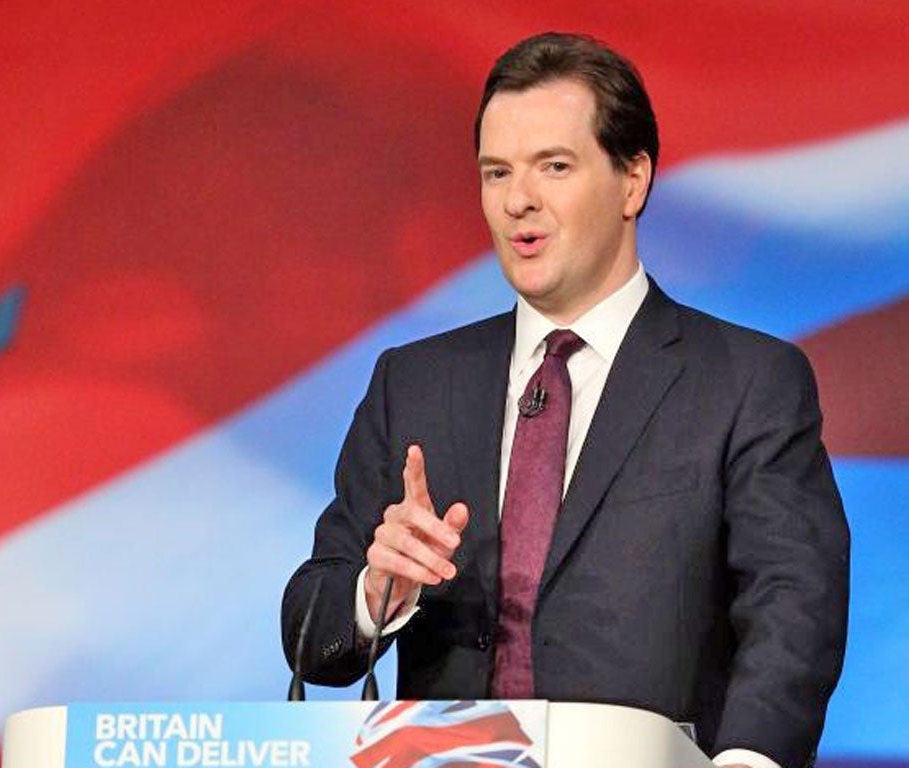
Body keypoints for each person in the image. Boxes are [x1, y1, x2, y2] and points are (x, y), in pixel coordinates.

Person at [282, 32, 849, 768]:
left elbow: (793, 607)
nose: (519, 199)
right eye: (496, 172)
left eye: (554, 166)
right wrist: (374, 593)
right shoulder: (414, 382)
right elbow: (311, 625)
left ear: (633, 180)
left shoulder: (745, 381)